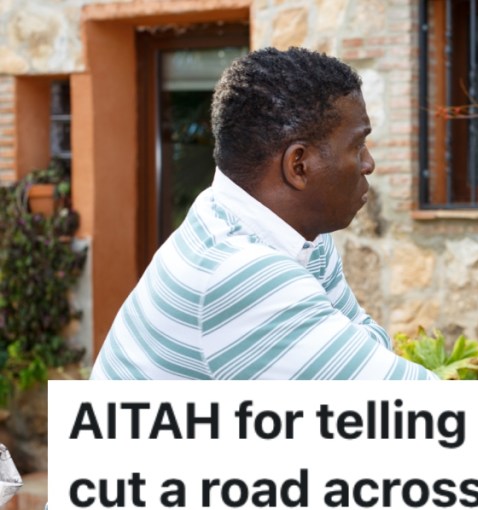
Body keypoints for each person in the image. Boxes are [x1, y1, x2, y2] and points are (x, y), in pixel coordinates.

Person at [91, 47, 434, 380]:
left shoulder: (283, 229)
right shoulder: (237, 271)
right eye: (357, 145)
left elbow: (367, 346)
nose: (369, 163)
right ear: (299, 165)